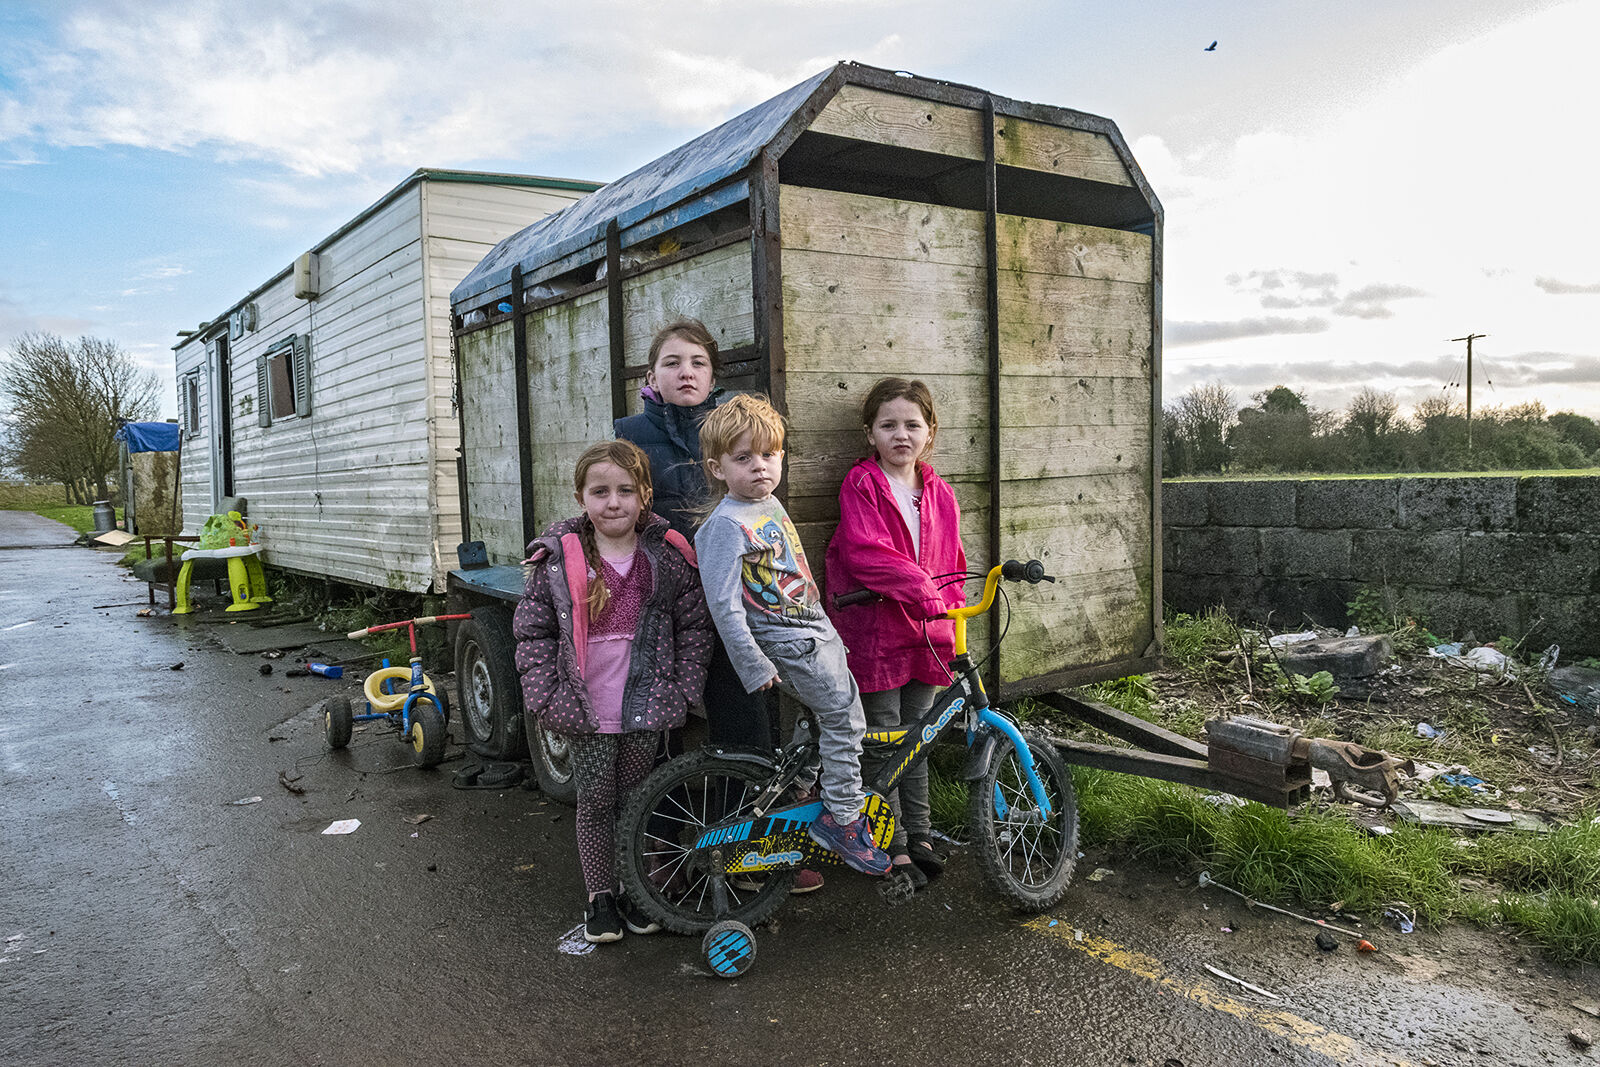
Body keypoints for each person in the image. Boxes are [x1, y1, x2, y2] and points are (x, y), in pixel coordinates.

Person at [512, 440, 714, 943]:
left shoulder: (666, 557)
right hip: (587, 710)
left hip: (647, 707)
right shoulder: (560, 559)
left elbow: (694, 627)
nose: (613, 502)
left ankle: (634, 890)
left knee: (637, 801)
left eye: (626, 490)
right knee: (597, 802)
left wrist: (683, 689)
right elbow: (533, 633)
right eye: (600, 491)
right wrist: (546, 696)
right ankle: (600, 897)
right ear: (581, 496)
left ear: (644, 495)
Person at [693, 394, 892, 877]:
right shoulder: (724, 526)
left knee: (822, 719)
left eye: (769, 454)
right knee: (847, 721)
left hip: (811, 633)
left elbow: (790, 571)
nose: (760, 467)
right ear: (717, 468)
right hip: (786, 642)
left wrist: (820, 615)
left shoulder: (768, 504)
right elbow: (724, 604)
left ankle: (801, 784)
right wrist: (753, 664)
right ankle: (842, 818)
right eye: (743, 458)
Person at [824, 378, 966, 889]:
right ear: (870, 433)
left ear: (930, 433)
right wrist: (925, 590)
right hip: (878, 629)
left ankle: (921, 833)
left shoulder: (940, 492)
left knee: (920, 737)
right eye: (889, 425)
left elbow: (952, 560)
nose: (901, 434)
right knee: (885, 740)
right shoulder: (862, 484)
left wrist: (950, 608)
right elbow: (867, 553)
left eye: (912, 424)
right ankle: (891, 839)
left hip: (928, 630)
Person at [614, 319, 779, 752]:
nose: (686, 371)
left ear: (711, 376)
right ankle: (659, 816)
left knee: (740, 706)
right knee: (658, 714)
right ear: (652, 377)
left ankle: (741, 812)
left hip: (730, 594)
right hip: (662, 597)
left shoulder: (733, 432)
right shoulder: (631, 438)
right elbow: (609, 507)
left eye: (698, 362)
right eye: (672, 363)